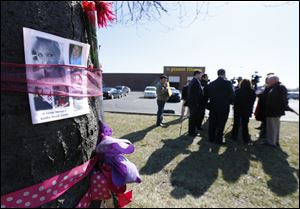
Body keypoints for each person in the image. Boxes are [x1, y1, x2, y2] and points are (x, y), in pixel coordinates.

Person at [206, 69, 235, 145]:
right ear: (224, 74)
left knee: (212, 123)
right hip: (224, 107)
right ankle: (219, 140)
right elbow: (232, 95)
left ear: (217, 74)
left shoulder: (211, 83)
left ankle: (211, 138)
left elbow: (207, 95)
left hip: (213, 106)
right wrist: (228, 102)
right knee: (221, 124)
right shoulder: (228, 83)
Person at [264, 75, 288, 147]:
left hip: (274, 111)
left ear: (273, 81)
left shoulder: (280, 87)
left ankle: (271, 142)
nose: (268, 82)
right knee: (273, 127)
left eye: (269, 81)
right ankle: (274, 141)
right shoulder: (275, 87)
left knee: (272, 127)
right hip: (272, 111)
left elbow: (283, 100)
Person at [231, 79, 256, 144]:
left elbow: (234, 100)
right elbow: (253, 101)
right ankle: (245, 138)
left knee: (236, 123)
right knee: (245, 124)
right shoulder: (252, 91)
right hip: (246, 109)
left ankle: (234, 136)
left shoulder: (237, 91)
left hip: (237, 109)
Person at [188, 70, 206, 136]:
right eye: (200, 75)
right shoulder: (195, 82)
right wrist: (197, 103)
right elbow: (195, 94)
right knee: (193, 118)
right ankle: (192, 132)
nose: (201, 76)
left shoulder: (194, 81)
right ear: (197, 74)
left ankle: (192, 131)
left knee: (193, 118)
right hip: (195, 104)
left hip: (193, 103)